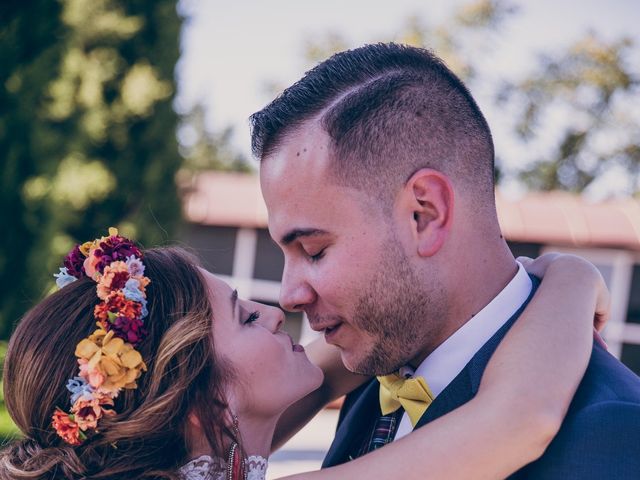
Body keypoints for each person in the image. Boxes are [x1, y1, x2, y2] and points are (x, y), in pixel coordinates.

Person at [250, 42, 640, 478]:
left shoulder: (615, 434)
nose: (288, 296)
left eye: (314, 250)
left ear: (425, 214)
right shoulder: (372, 360)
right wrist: (572, 277)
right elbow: (512, 421)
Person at [0, 228, 609, 479]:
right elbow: (517, 418)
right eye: (243, 315)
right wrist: (571, 277)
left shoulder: (213, 436)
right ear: (201, 400)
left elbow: (330, 368)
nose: (276, 309)